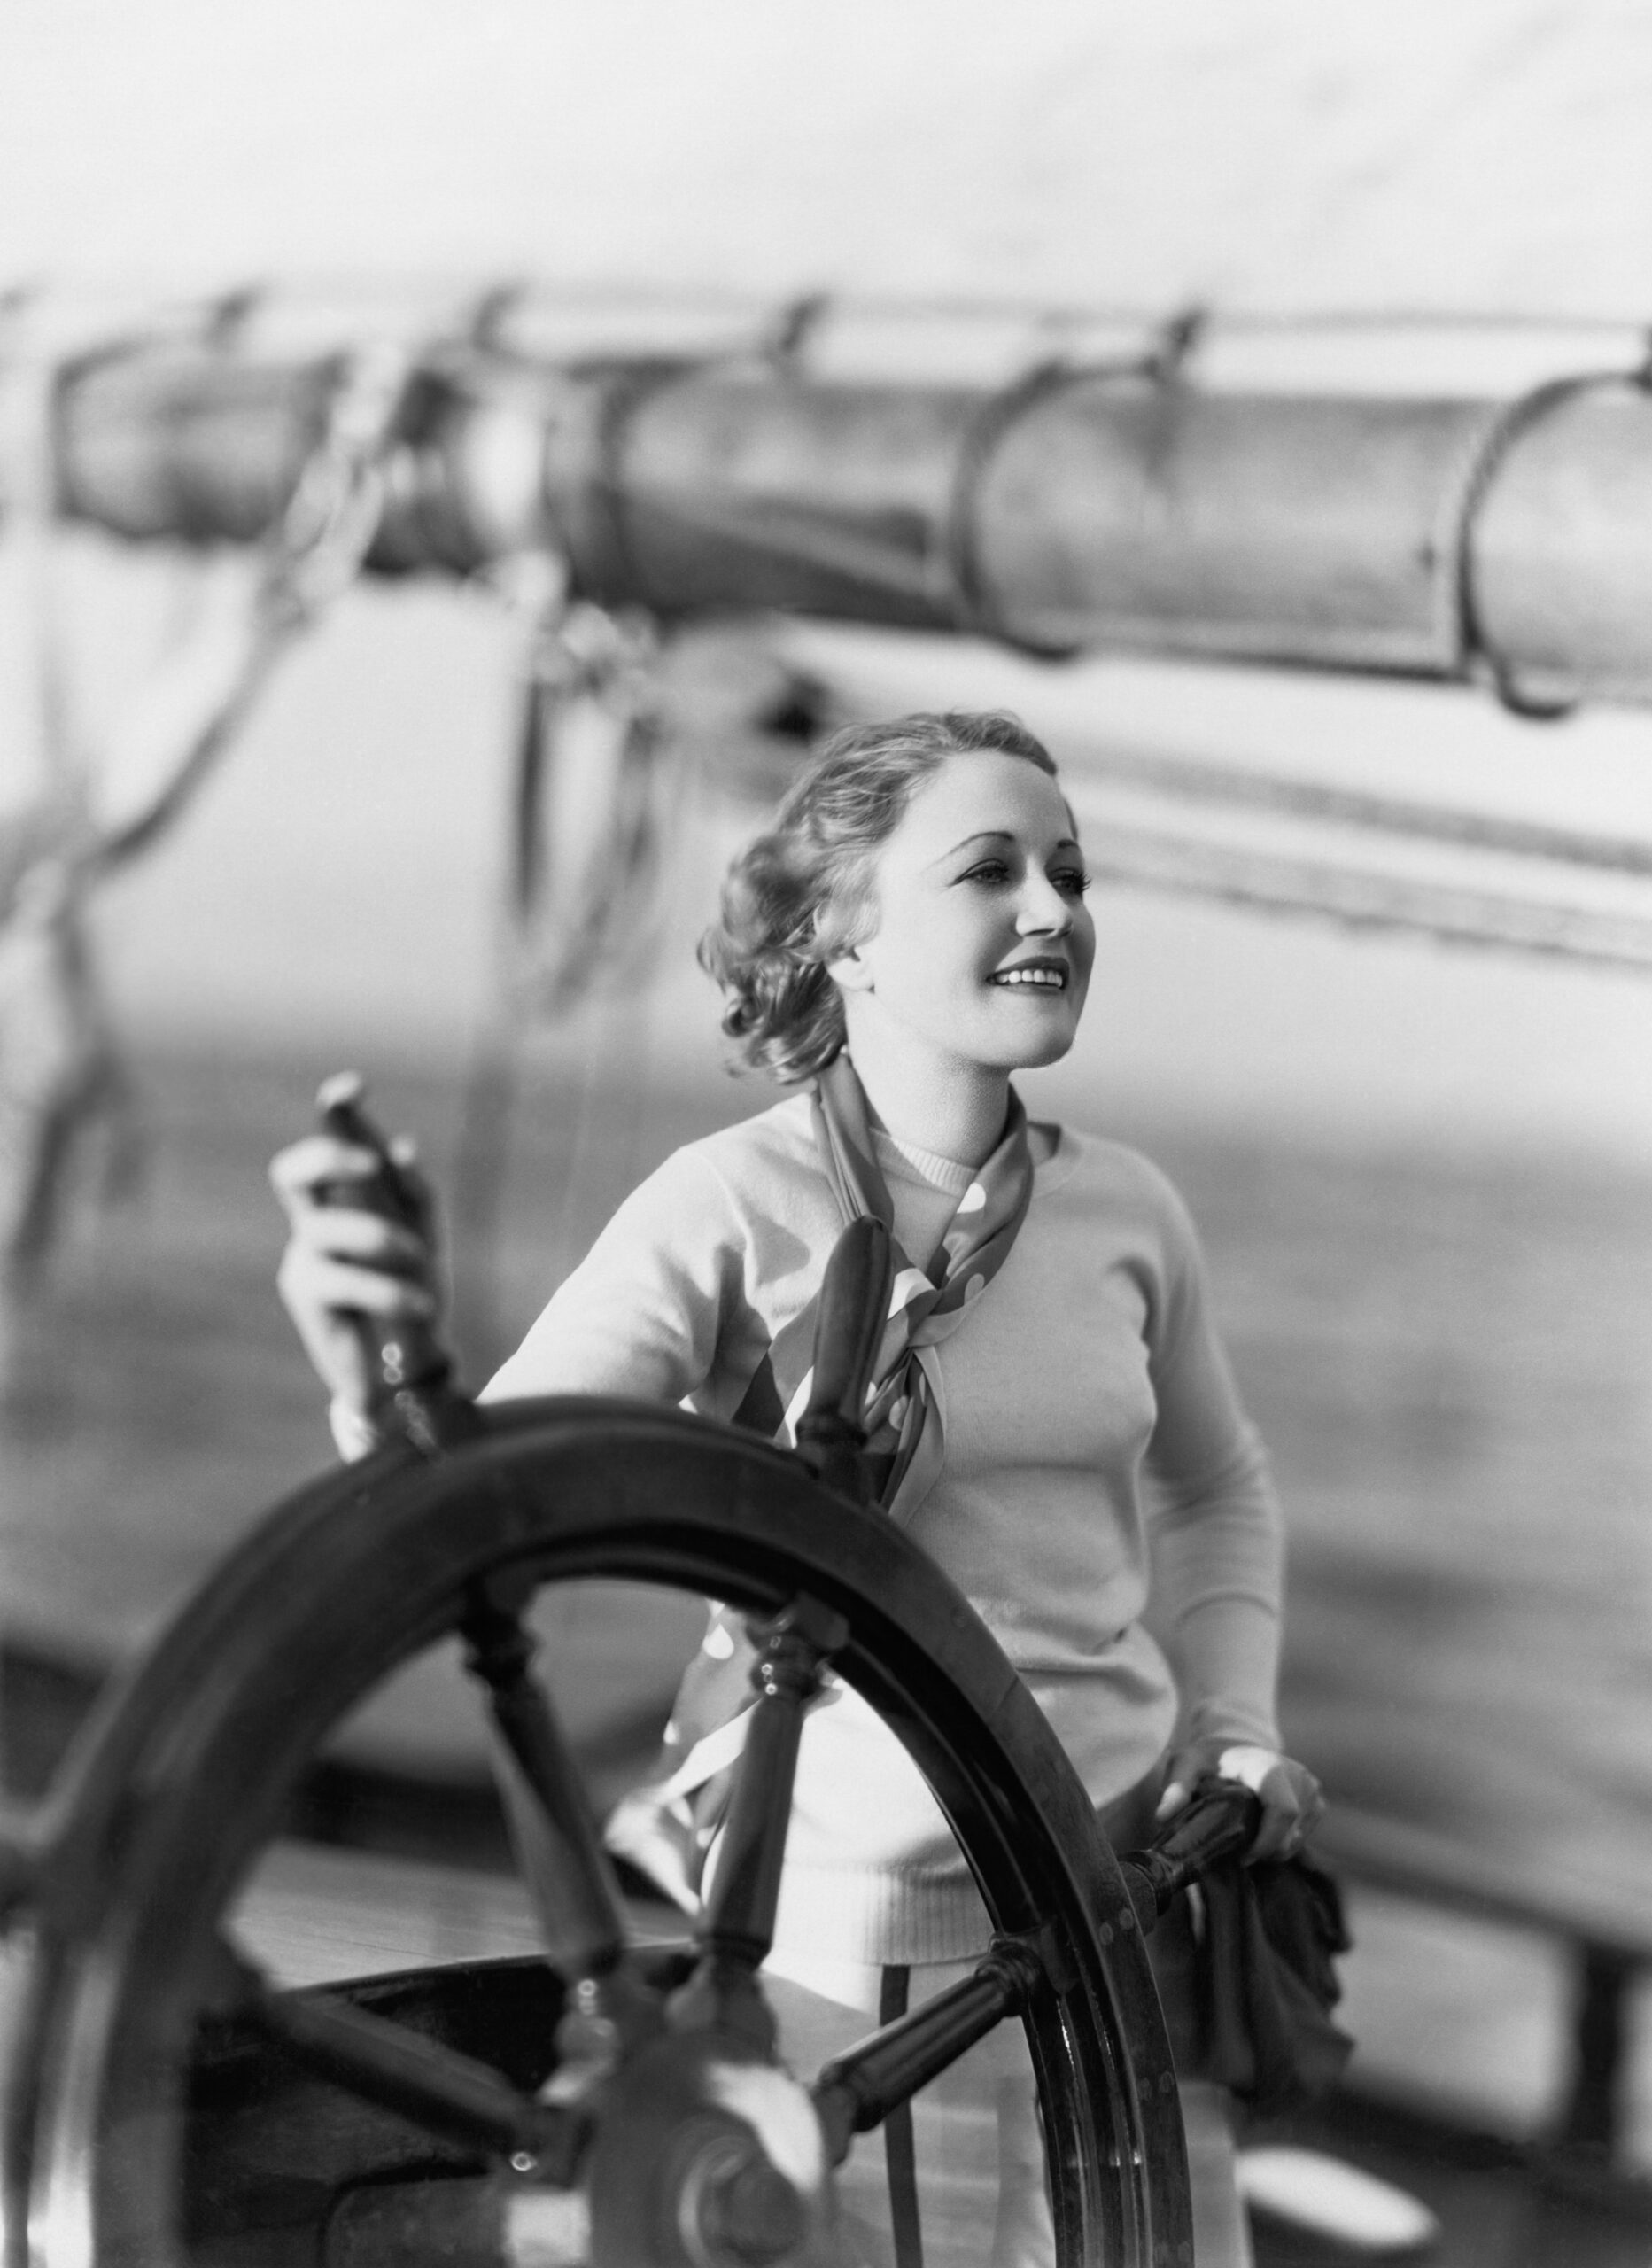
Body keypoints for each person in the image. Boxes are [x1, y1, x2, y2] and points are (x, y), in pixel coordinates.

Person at [272, 708, 1322, 2268]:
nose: (1056, 910)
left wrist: (1236, 1726)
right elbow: (494, 1499)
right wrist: (373, 1382)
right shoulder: (727, 1204)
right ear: (849, 939)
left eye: (1072, 873)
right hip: (861, 1981)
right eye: (991, 870)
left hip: (1125, 1930)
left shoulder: (1130, 1214)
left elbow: (1220, 1490)